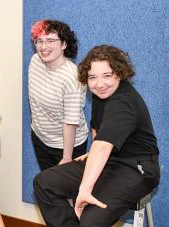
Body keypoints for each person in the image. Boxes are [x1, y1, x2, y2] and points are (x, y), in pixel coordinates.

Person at [33, 45, 160, 227]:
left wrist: (85, 190)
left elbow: (103, 146)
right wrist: (93, 152)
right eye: (93, 77)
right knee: (44, 182)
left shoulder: (123, 102)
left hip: (137, 168)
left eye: (107, 75)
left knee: (89, 222)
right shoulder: (102, 95)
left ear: (119, 73)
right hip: (109, 160)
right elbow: (97, 131)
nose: (99, 84)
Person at [28, 20, 88, 170]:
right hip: (40, 138)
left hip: (67, 146)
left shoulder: (73, 77)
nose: (43, 46)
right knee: (47, 187)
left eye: (50, 40)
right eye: (39, 41)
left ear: (64, 44)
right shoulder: (35, 61)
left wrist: (67, 157)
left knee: (68, 192)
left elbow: (70, 121)